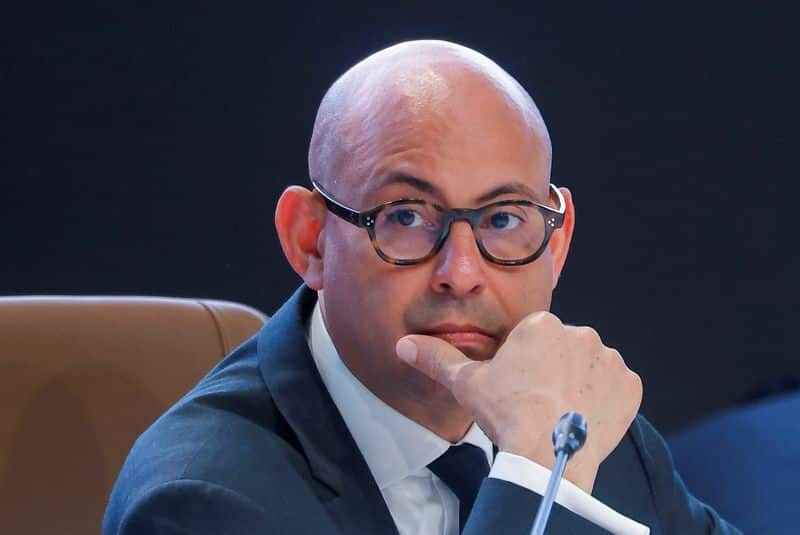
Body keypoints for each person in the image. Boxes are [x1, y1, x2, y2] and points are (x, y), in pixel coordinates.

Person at [104, 40, 739, 534]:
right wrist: (540, 482)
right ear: (310, 240)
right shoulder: (204, 503)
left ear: (557, 242)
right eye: (406, 217)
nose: (460, 273)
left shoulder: (577, 419)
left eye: (503, 220)